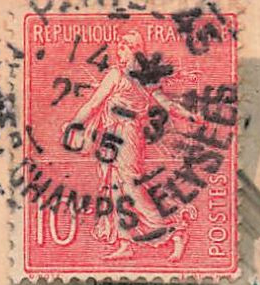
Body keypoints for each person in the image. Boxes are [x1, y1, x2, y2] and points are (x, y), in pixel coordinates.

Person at [63, 32, 202, 261]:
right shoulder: (115, 75)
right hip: (110, 136)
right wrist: (75, 125)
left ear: (137, 51)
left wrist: (190, 116)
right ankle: (125, 242)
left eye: (127, 47)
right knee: (115, 186)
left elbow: (168, 105)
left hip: (128, 135)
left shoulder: (144, 81)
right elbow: (93, 104)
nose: (121, 51)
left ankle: (176, 231)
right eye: (121, 47)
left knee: (130, 185)